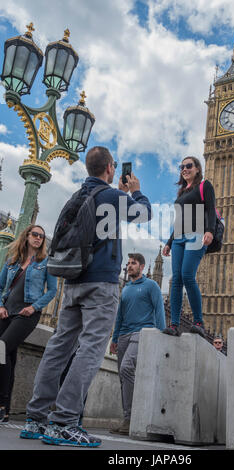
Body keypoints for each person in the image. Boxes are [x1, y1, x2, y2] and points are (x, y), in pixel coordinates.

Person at [20, 146, 152, 448]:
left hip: (73, 283)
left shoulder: (77, 196)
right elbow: (144, 213)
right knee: (91, 349)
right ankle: (65, 422)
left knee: (59, 347)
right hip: (100, 284)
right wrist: (136, 191)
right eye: (114, 167)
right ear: (109, 169)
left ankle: (35, 417)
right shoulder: (112, 196)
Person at [0, 224, 57, 423]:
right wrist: (0, 305)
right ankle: (4, 410)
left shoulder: (45, 263)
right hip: (6, 313)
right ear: (26, 236)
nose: (39, 238)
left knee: (1, 349)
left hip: (26, 314)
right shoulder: (11, 261)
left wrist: (34, 307)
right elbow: (0, 288)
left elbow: (52, 291)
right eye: (35, 234)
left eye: (41, 236)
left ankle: (1, 403)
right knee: (8, 357)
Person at [109, 253, 166, 435]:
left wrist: (161, 335)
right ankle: (127, 418)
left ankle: (133, 416)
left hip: (142, 332)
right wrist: (115, 338)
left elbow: (159, 310)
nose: (129, 266)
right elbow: (120, 315)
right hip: (124, 335)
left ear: (141, 267)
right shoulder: (125, 288)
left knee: (126, 368)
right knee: (123, 376)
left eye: (133, 263)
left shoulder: (152, 285)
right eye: (128, 263)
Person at [162, 156, 216, 337]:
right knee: (176, 279)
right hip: (178, 238)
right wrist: (169, 243)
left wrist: (210, 231)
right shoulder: (181, 193)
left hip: (197, 236)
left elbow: (210, 209)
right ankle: (175, 325)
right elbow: (179, 221)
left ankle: (198, 321)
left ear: (197, 169)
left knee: (187, 275)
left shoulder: (204, 186)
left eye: (189, 166)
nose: (185, 169)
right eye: (182, 167)